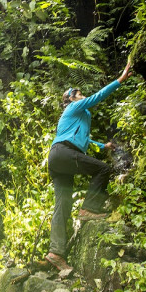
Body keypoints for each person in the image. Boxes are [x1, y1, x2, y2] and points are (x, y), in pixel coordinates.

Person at [45, 58, 132, 277]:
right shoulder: (74, 107)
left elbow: (85, 140)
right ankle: (89, 209)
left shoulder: (79, 117)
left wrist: (104, 145)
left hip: (59, 158)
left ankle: (56, 253)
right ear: (70, 98)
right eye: (77, 92)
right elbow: (97, 97)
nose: (81, 94)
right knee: (103, 169)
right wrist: (119, 80)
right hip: (64, 153)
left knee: (62, 205)